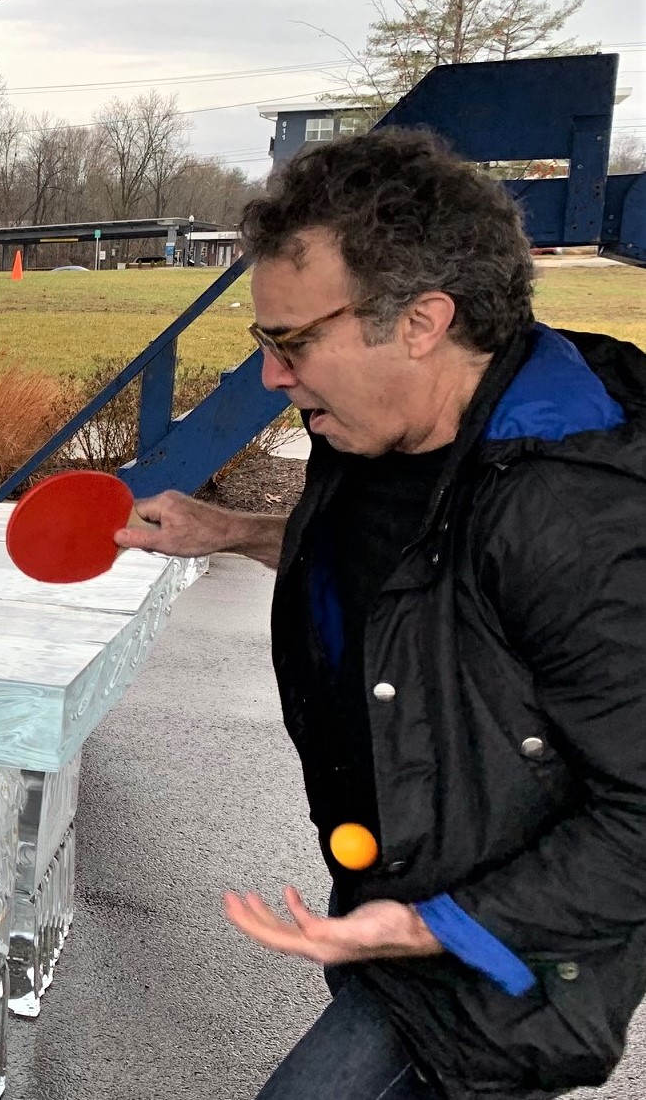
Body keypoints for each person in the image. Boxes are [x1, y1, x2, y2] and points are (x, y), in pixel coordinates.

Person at [115, 129, 646, 1099]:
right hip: (392, 876)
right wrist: (224, 530)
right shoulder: (368, 423)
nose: (273, 375)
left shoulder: (577, 508)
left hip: (497, 949)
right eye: (260, 341)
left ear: (419, 322)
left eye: (292, 341)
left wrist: (422, 926)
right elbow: (407, 577)